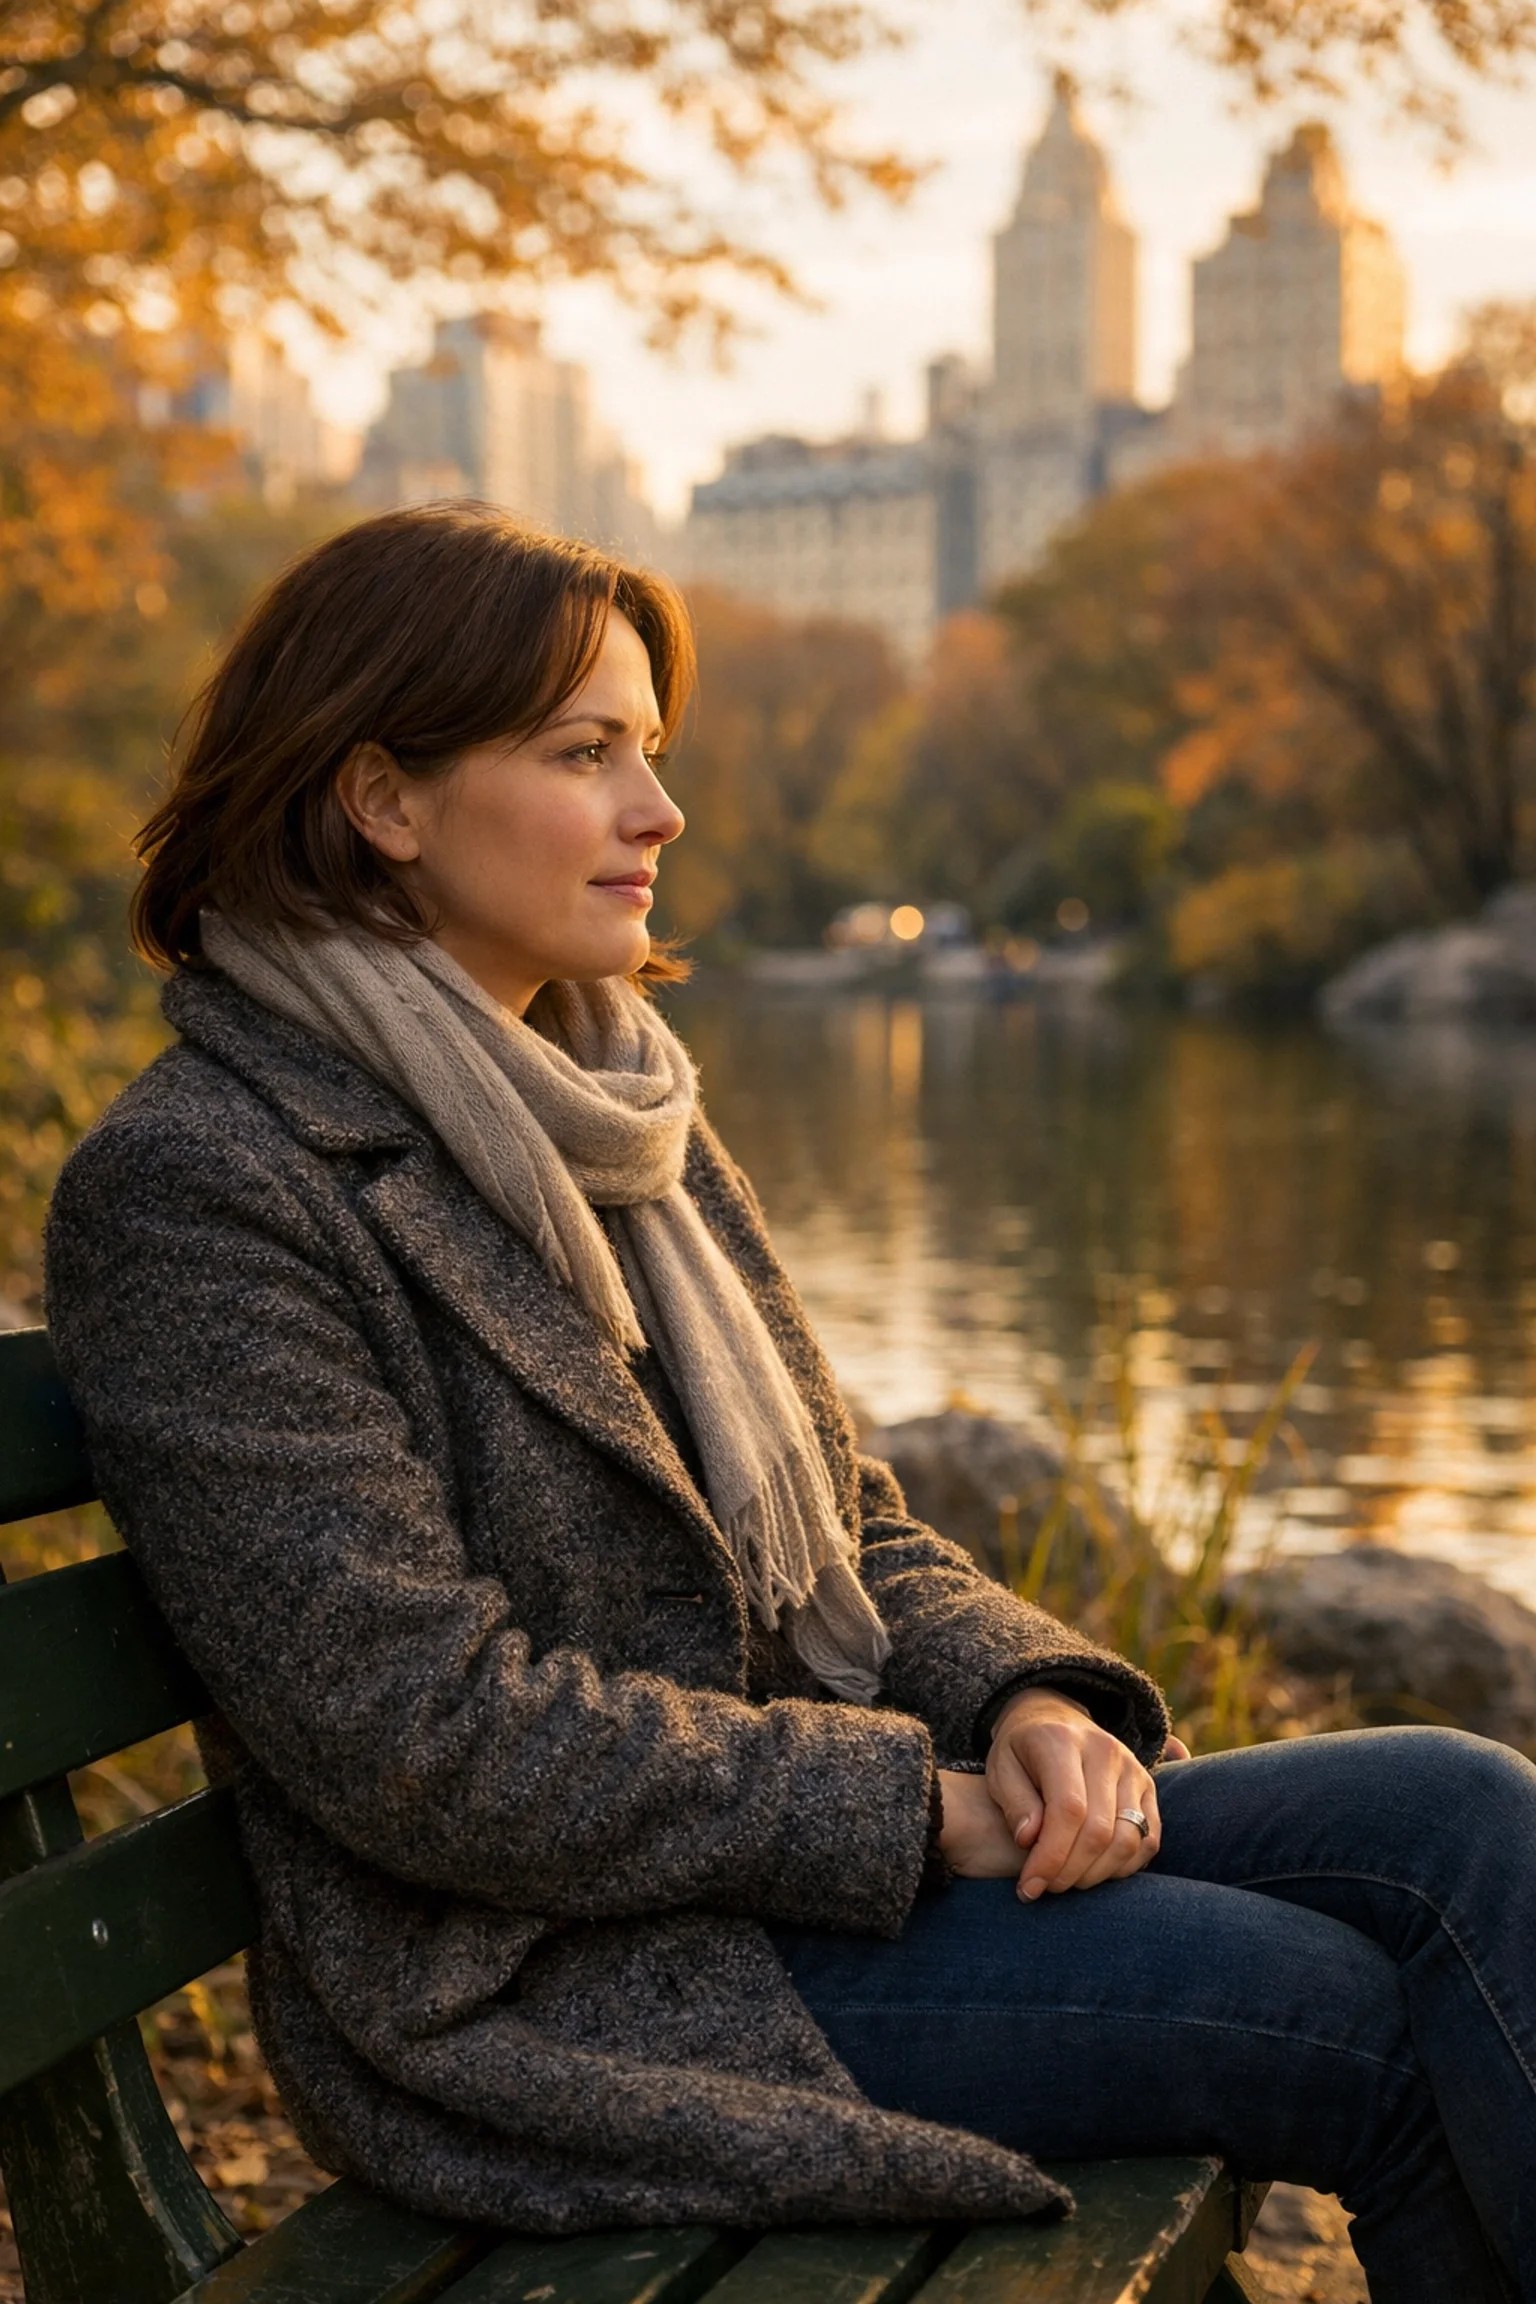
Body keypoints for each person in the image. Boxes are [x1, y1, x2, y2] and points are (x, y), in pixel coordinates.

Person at [43, 503, 1536, 2303]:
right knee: (1341, 2019)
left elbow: (853, 1521)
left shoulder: (620, 1105)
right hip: (565, 1984)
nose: (658, 813)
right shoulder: (209, 1183)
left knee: (1465, 1814)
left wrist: (1028, 1691)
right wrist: (917, 1808)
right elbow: (417, 1734)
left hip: (801, 1866)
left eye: (650, 756)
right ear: (384, 797)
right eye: (585, 755)